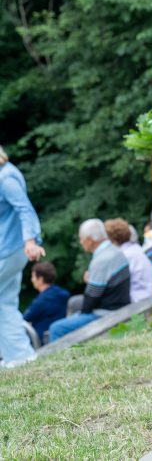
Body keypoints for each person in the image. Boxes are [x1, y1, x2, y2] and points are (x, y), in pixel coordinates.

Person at [48, 219, 131, 342]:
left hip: (106, 313)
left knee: (56, 328)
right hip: (120, 306)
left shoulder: (101, 260)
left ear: (89, 240)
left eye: (81, 239)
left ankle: (61, 360)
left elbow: (90, 302)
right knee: (75, 305)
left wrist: (80, 314)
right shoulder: (116, 252)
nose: (81, 242)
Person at [0, 145, 45, 368]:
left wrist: (30, 240)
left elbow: (25, 209)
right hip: (10, 249)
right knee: (5, 303)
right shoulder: (7, 172)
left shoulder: (6, 177)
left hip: (8, 250)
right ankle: (18, 356)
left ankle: (19, 355)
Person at [105, 218, 152, 303]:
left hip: (134, 301)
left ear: (112, 239)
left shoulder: (123, 255)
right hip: (148, 295)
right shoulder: (137, 249)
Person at [23, 262, 70, 345]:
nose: (32, 280)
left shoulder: (42, 300)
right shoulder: (64, 293)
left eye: (33, 276)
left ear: (40, 279)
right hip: (61, 336)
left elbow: (25, 318)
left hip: (40, 341)